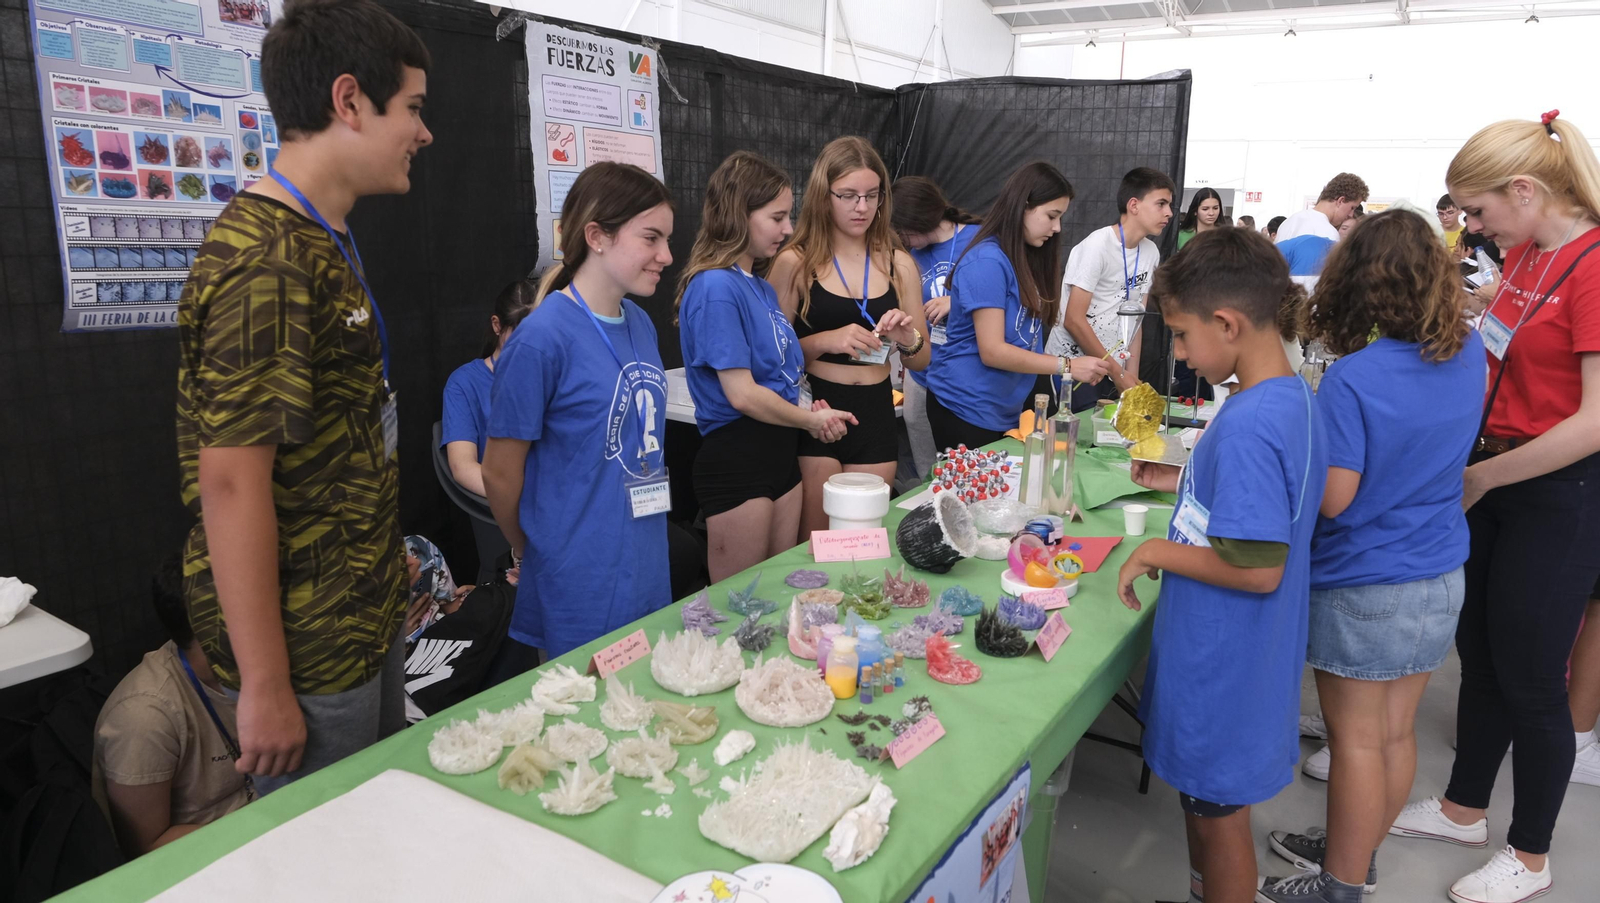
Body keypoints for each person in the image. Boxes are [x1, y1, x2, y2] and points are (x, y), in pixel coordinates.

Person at [174, 0, 431, 793]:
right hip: (309, 646)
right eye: (413, 109)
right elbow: (230, 481)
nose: (424, 133)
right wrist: (265, 681)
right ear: (348, 100)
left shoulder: (323, 237)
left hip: (359, 613)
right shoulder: (270, 261)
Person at [1384, 111, 1600, 903]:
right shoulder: (1531, 257)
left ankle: (1532, 855)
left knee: (1535, 676)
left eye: (1477, 211)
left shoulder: (1592, 264)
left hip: (1555, 489)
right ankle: (1461, 806)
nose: (1470, 226)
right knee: (1480, 650)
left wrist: (1489, 479)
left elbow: (1593, 420)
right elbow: (1502, 347)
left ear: (1525, 189)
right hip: (1495, 477)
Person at [1256, 210, 1486, 903]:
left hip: (1365, 582)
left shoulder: (1354, 380)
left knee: (1355, 740)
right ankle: (1357, 851)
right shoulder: (1467, 349)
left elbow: (1335, 498)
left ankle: (1340, 884)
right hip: (1440, 571)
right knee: (1393, 732)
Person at [1116, 228, 1326, 903]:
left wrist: (1152, 549)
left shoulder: (1249, 424)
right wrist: (1183, 483)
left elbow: (1258, 566)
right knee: (1204, 809)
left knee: (1219, 819)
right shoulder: (1288, 398)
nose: (1176, 350)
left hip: (1223, 669)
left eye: (1180, 334)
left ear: (1228, 323)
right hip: (1243, 661)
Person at [482, 162, 674, 665]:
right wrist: (538, 547)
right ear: (597, 236)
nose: (666, 256)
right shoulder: (541, 339)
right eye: (651, 238)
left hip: (646, 560)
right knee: (587, 727)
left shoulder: (640, 322)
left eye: (667, 239)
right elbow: (500, 472)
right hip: (578, 578)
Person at [677, 151, 856, 582]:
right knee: (741, 607)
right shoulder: (716, 285)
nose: (789, 229)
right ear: (740, 215)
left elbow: (779, 379)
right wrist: (810, 423)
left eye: (788, 216)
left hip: (780, 454)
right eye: (777, 217)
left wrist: (809, 414)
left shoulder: (758, 286)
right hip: (739, 459)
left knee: (777, 597)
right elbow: (741, 394)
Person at [769, 137, 929, 541]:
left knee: (861, 541)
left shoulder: (899, 264)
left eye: (871, 196)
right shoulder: (795, 262)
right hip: (818, 410)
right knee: (817, 546)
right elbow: (770, 359)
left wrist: (906, 337)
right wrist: (825, 340)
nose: (862, 207)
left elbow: (921, 360)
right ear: (825, 196)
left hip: (875, 411)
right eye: (849, 195)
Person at [920, 161, 1112, 450]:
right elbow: (993, 351)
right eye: (1051, 216)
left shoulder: (1022, 257)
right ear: (1023, 206)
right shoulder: (987, 261)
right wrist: (1068, 365)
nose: (1057, 227)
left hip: (1003, 410)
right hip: (965, 409)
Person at [93, 556, 253, 857]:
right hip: (206, 858)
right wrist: (261, 827)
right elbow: (147, 847)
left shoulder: (259, 671)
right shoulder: (144, 717)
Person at [1049, 166, 1174, 409]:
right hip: (1076, 367)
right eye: (1161, 203)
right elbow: (1073, 320)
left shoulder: (1150, 252)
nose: (1169, 213)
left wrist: (1131, 378)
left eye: (1169, 205)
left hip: (1114, 370)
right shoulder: (1098, 246)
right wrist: (1119, 375)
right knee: (1079, 439)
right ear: (1134, 205)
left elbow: (1135, 320)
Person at [892, 176, 982, 474]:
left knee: (962, 467)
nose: (901, 238)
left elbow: (1005, 299)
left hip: (964, 373)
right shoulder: (910, 257)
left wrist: (957, 302)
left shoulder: (979, 240)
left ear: (919, 217)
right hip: (923, 372)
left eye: (902, 229)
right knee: (925, 458)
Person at [441, 279, 539, 496]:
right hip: (512, 504)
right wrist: (525, 500)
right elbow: (463, 467)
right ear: (497, 325)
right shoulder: (464, 384)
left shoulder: (552, 375)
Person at [1277, 173, 1370, 290]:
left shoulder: (1289, 221)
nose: (1351, 214)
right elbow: (1311, 289)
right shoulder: (1327, 233)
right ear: (1341, 200)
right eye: (1352, 207)